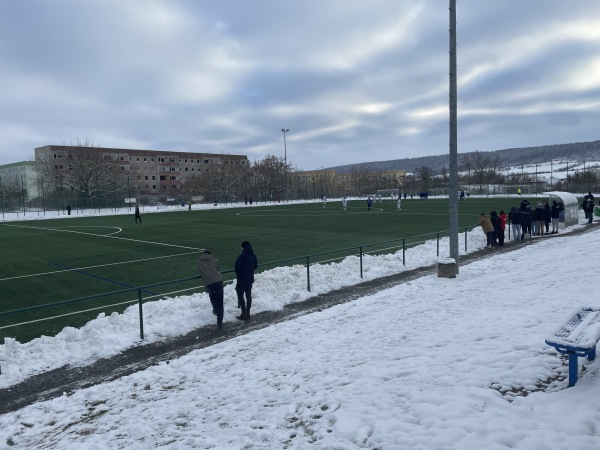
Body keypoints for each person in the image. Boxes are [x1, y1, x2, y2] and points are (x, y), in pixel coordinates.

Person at [196, 250, 224, 328]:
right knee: (220, 301)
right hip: (218, 281)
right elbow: (218, 268)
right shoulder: (215, 260)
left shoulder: (198, 262)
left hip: (208, 283)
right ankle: (220, 320)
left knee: (212, 297)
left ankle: (215, 309)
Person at [235, 240, 258, 321]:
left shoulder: (242, 256)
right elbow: (255, 266)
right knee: (248, 295)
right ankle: (248, 312)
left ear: (243, 247)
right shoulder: (253, 255)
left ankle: (243, 312)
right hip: (250, 278)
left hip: (242, 279)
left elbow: (237, 267)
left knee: (240, 295)